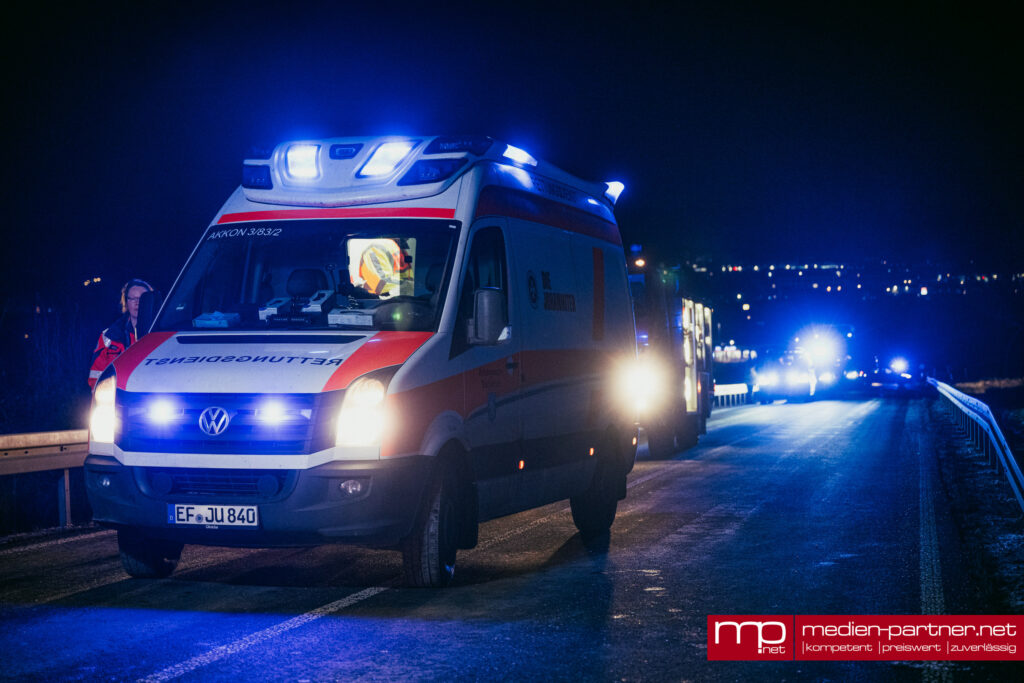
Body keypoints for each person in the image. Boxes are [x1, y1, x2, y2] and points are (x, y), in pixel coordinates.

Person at [88, 279, 154, 388]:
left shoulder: (162, 334)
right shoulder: (110, 335)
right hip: (117, 394)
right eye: (133, 298)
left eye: (142, 298)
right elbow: (96, 374)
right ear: (126, 302)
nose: (137, 302)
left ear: (151, 302)